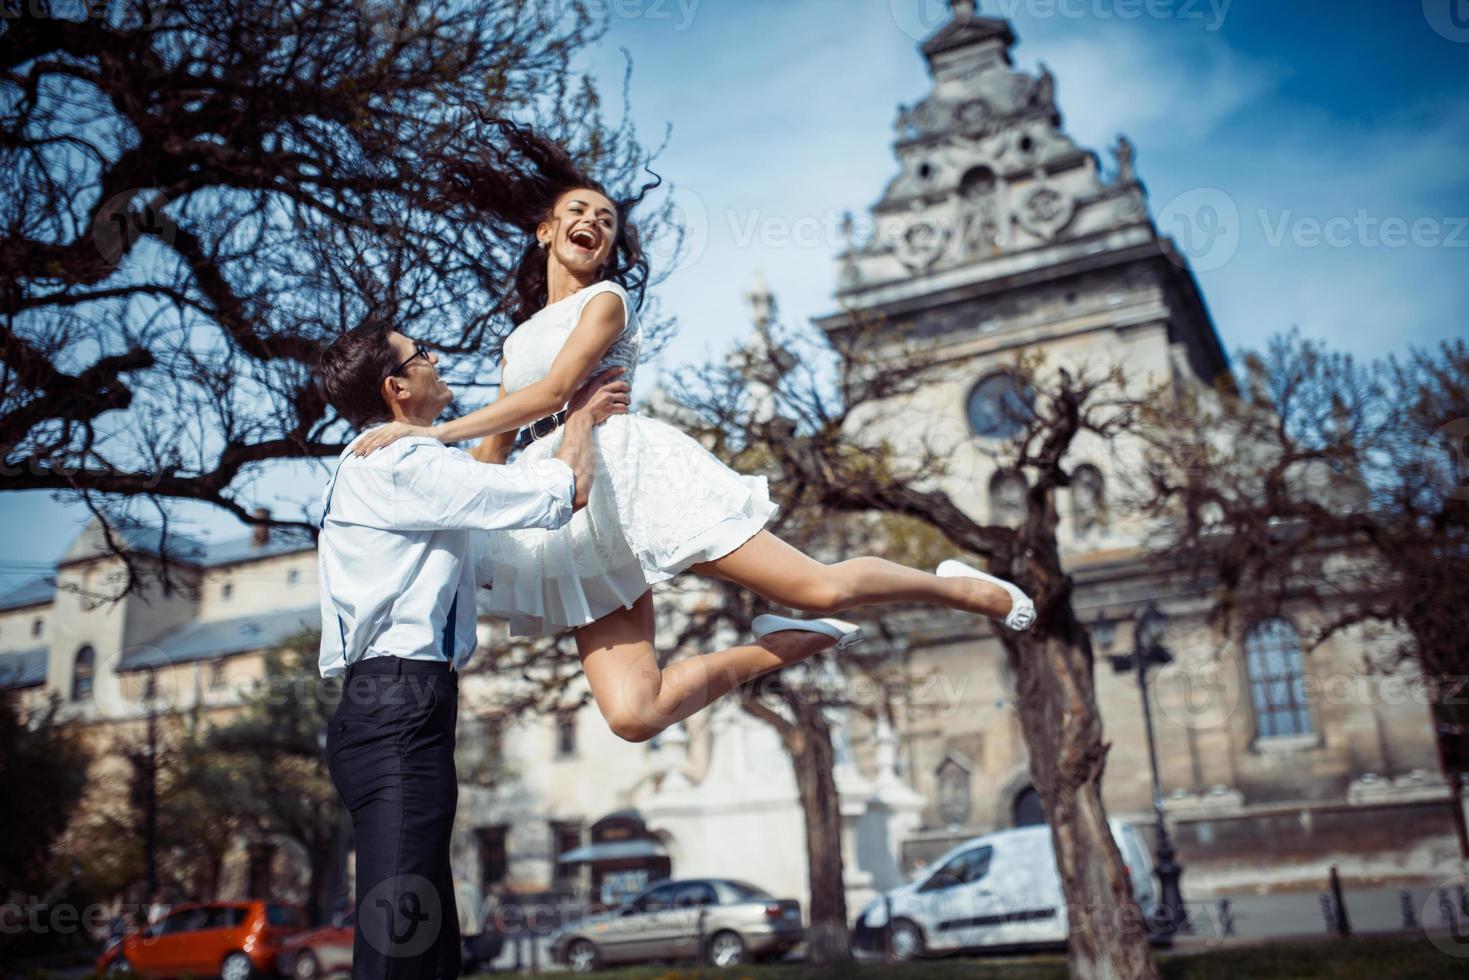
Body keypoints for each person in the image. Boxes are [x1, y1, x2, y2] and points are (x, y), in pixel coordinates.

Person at [352, 119, 1036, 746]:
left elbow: (556, 392)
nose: (593, 222)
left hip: (630, 475)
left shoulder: (607, 300)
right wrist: (435, 493)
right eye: (577, 212)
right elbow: (493, 451)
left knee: (818, 585)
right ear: (544, 231)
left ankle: (959, 587)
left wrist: (431, 437)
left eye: (607, 219)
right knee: (633, 715)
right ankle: (799, 643)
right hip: (563, 500)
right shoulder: (516, 339)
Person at [314, 317, 628, 980]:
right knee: (400, 935)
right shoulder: (399, 460)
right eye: (421, 353)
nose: (436, 357)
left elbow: (483, 510)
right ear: (397, 386)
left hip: (400, 709)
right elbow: (561, 494)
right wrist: (579, 419)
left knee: (424, 940)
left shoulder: (406, 467)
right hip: (397, 706)